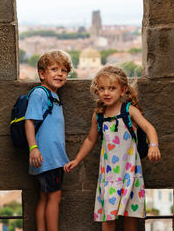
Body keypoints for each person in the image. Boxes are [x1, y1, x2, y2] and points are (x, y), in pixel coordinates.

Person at [64, 65, 161, 231]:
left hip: (130, 172)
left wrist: (154, 145)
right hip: (109, 175)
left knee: (131, 215)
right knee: (108, 217)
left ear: (122, 90)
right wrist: (77, 159)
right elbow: (90, 139)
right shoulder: (99, 115)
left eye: (111, 88)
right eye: (102, 89)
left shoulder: (129, 111)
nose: (106, 93)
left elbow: (149, 128)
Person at [25, 49, 73, 231]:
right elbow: (29, 122)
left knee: (45, 197)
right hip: (46, 156)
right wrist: (33, 148)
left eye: (63, 71)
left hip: (52, 157)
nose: (59, 74)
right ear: (42, 74)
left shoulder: (53, 95)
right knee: (54, 196)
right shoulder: (40, 93)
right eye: (54, 69)